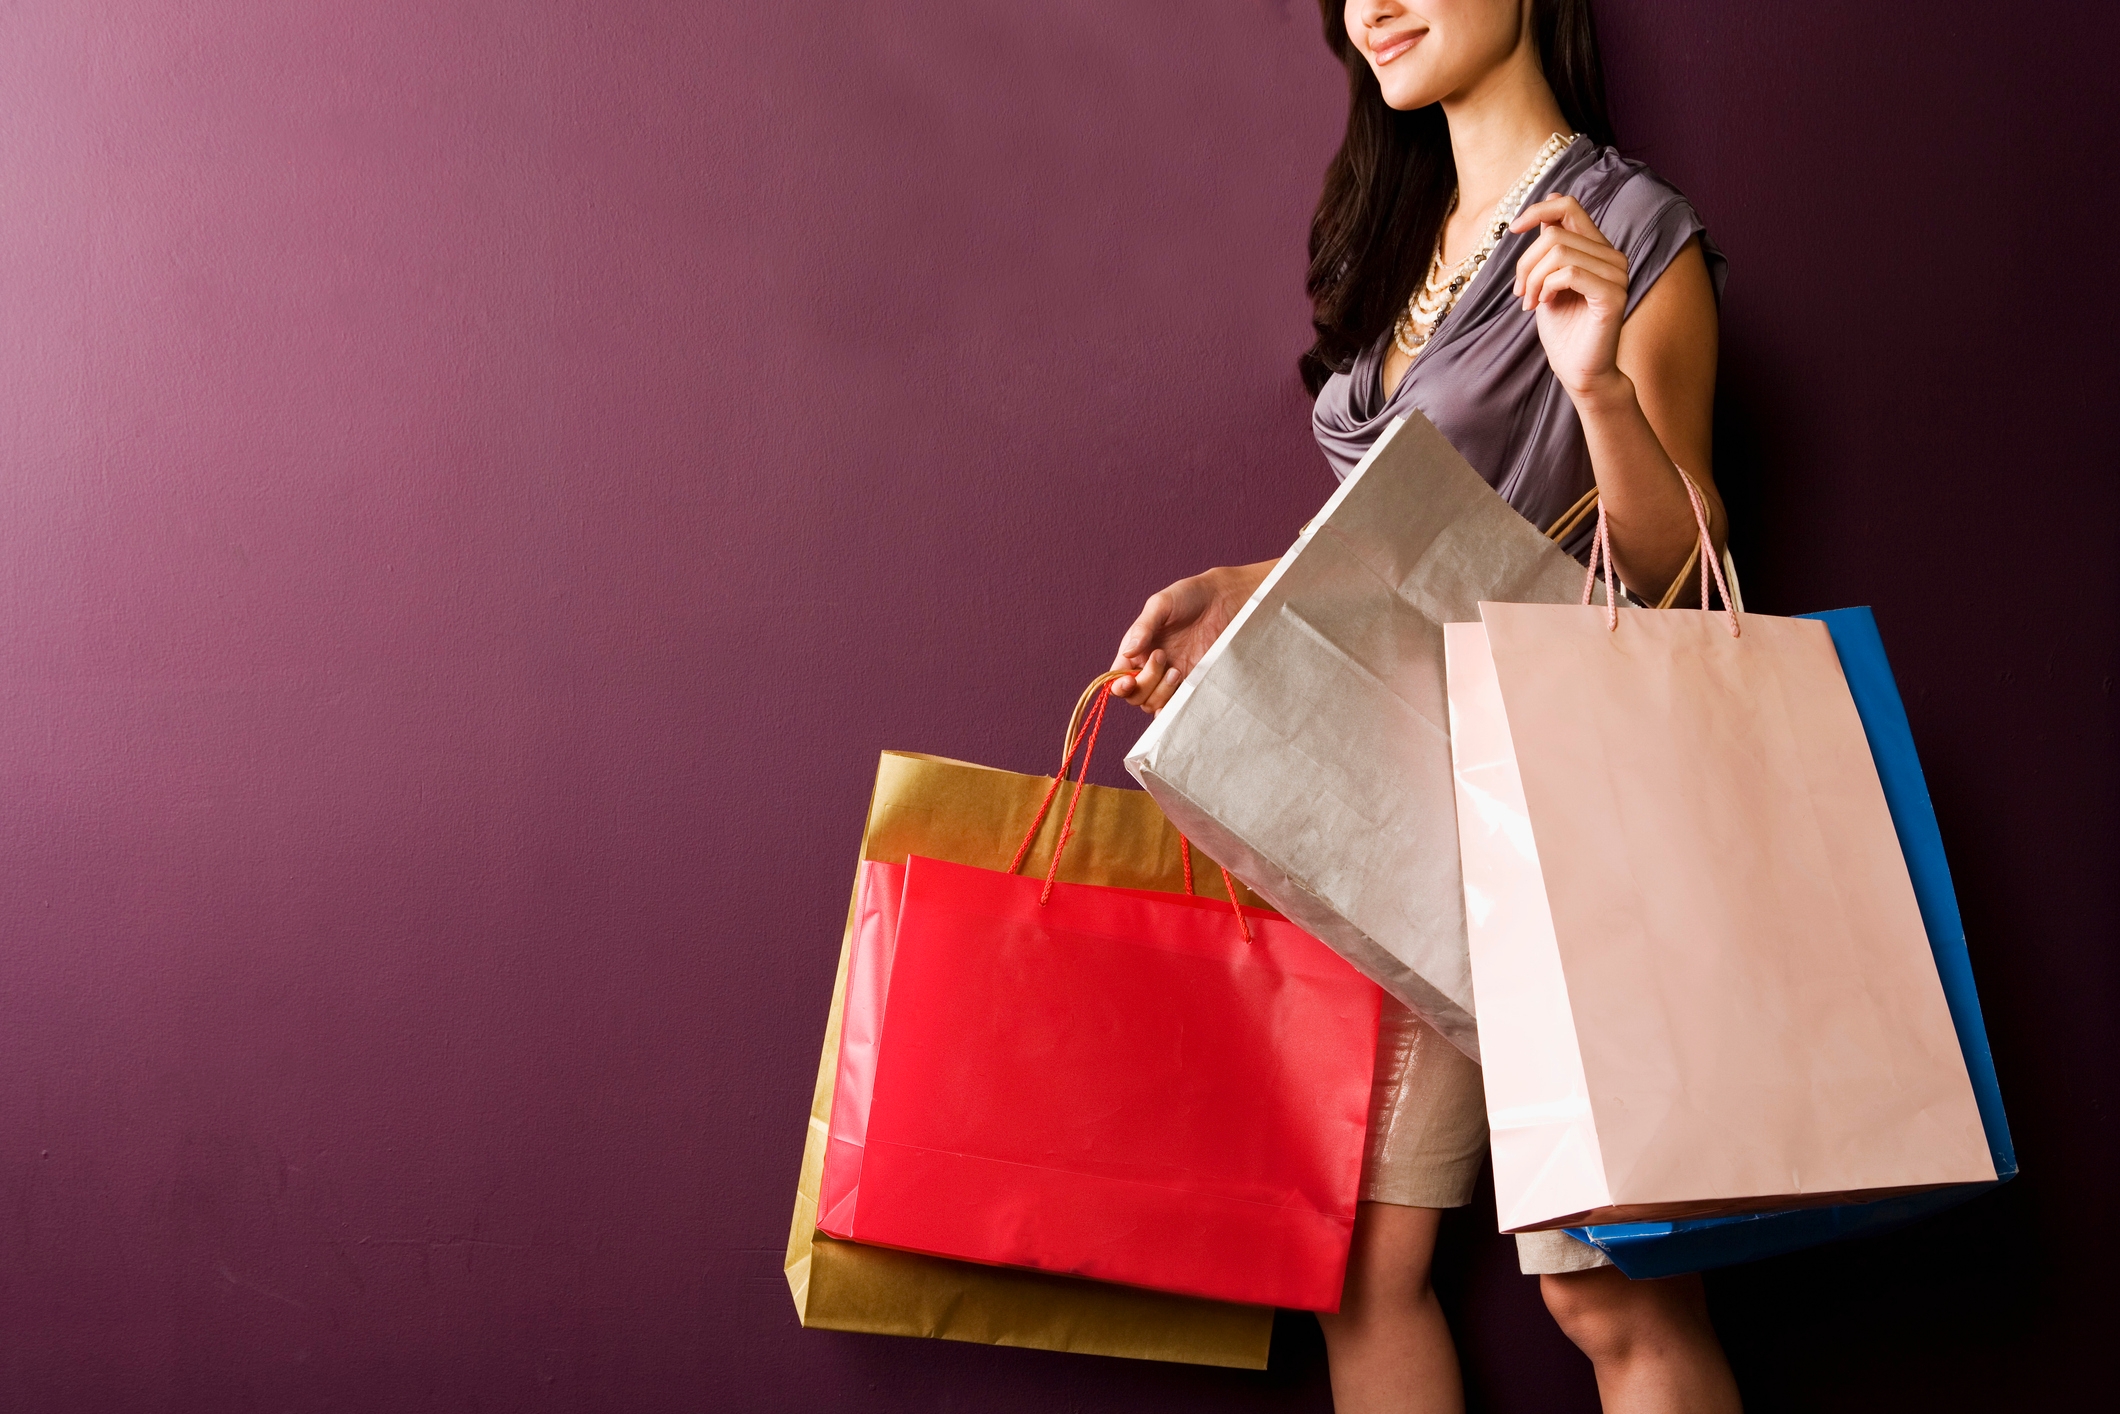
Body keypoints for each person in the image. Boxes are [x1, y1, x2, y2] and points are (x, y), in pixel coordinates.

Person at [1106, 3, 1744, 1411]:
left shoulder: (1631, 226)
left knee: (1611, 1289)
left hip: (1561, 809)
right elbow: (1414, 532)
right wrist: (1246, 587)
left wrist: (1598, 385)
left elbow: (1668, 569)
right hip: (1402, 801)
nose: (1371, 3)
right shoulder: (1402, 238)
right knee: (1359, 1266)